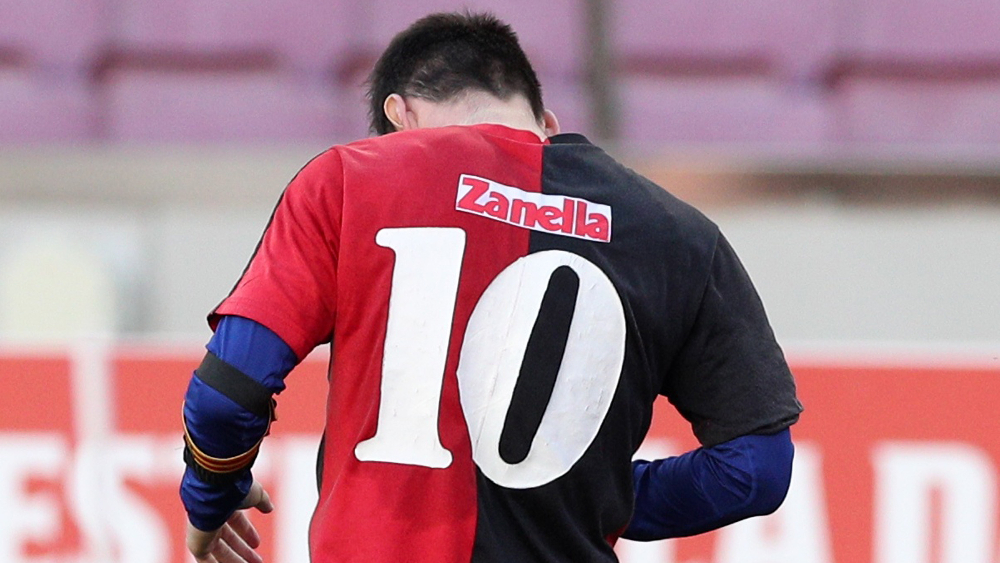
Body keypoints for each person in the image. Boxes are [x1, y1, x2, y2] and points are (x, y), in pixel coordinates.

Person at [180, 11, 803, 563]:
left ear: (399, 118)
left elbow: (225, 396)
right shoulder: (680, 235)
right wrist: (607, 494)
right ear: (546, 122)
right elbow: (757, 471)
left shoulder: (349, 181)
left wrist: (215, 490)